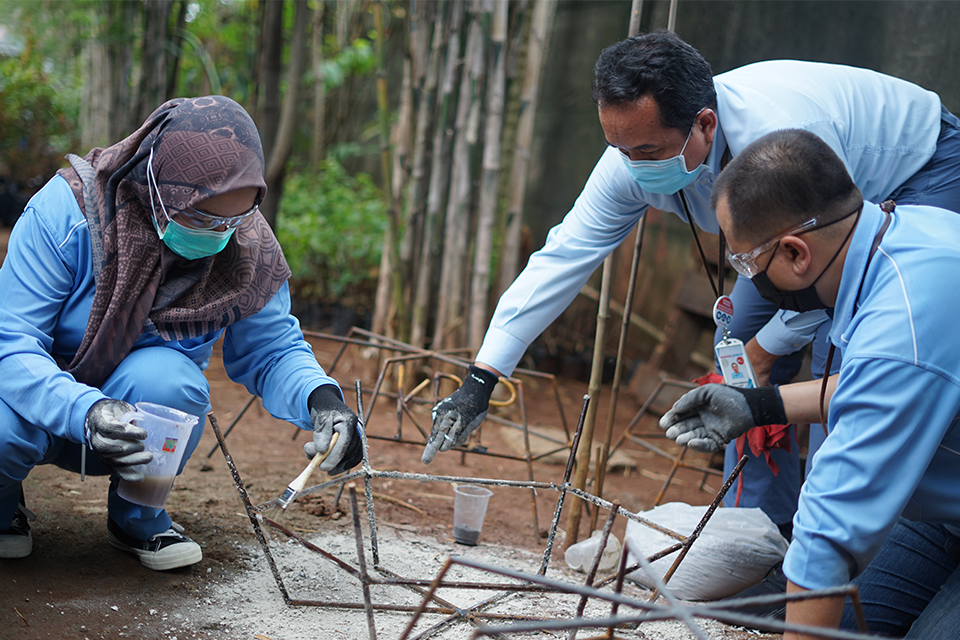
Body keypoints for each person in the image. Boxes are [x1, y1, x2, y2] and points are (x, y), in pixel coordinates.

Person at [422, 29, 960, 537]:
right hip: (798, 227)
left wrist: (770, 349)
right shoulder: (633, 158)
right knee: (739, 361)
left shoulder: (786, 137)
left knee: (837, 351)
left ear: (705, 124)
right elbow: (563, 256)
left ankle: (841, 548)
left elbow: (826, 259)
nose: (632, 168)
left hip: (920, 171)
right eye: (619, 148)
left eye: (648, 152)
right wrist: (481, 380)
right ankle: (761, 536)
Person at [0, 96, 363, 571]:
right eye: (201, 217)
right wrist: (84, 410)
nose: (219, 235)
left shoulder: (246, 245)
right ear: (157, 185)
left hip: (133, 415)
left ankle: (136, 515)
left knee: (173, 381)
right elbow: (13, 342)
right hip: (40, 400)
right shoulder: (67, 215)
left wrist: (323, 402)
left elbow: (272, 349)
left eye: (234, 220)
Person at [661, 128, 960, 639]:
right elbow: (879, 386)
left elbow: (826, 535)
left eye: (746, 262)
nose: (746, 277)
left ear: (797, 254)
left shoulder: (903, 320)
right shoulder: (905, 236)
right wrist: (761, 405)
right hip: (944, 513)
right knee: (840, 621)